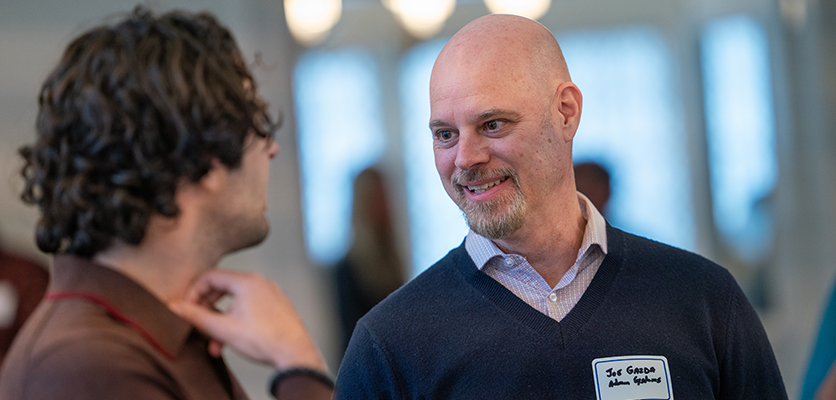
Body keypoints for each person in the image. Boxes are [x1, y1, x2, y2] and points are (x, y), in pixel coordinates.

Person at [334, 14, 788, 398]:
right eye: (445, 135)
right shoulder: (390, 347)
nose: (465, 158)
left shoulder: (703, 302)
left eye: (492, 124)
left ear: (566, 112)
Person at [0, 7, 331, 400]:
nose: (272, 149)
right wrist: (300, 368)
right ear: (205, 158)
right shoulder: (85, 362)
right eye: (256, 127)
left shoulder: (145, 338)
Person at [333, 168, 405, 356]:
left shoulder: (392, 259)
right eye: (378, 198)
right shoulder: (348, 268)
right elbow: (351, 335)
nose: (386, 205)